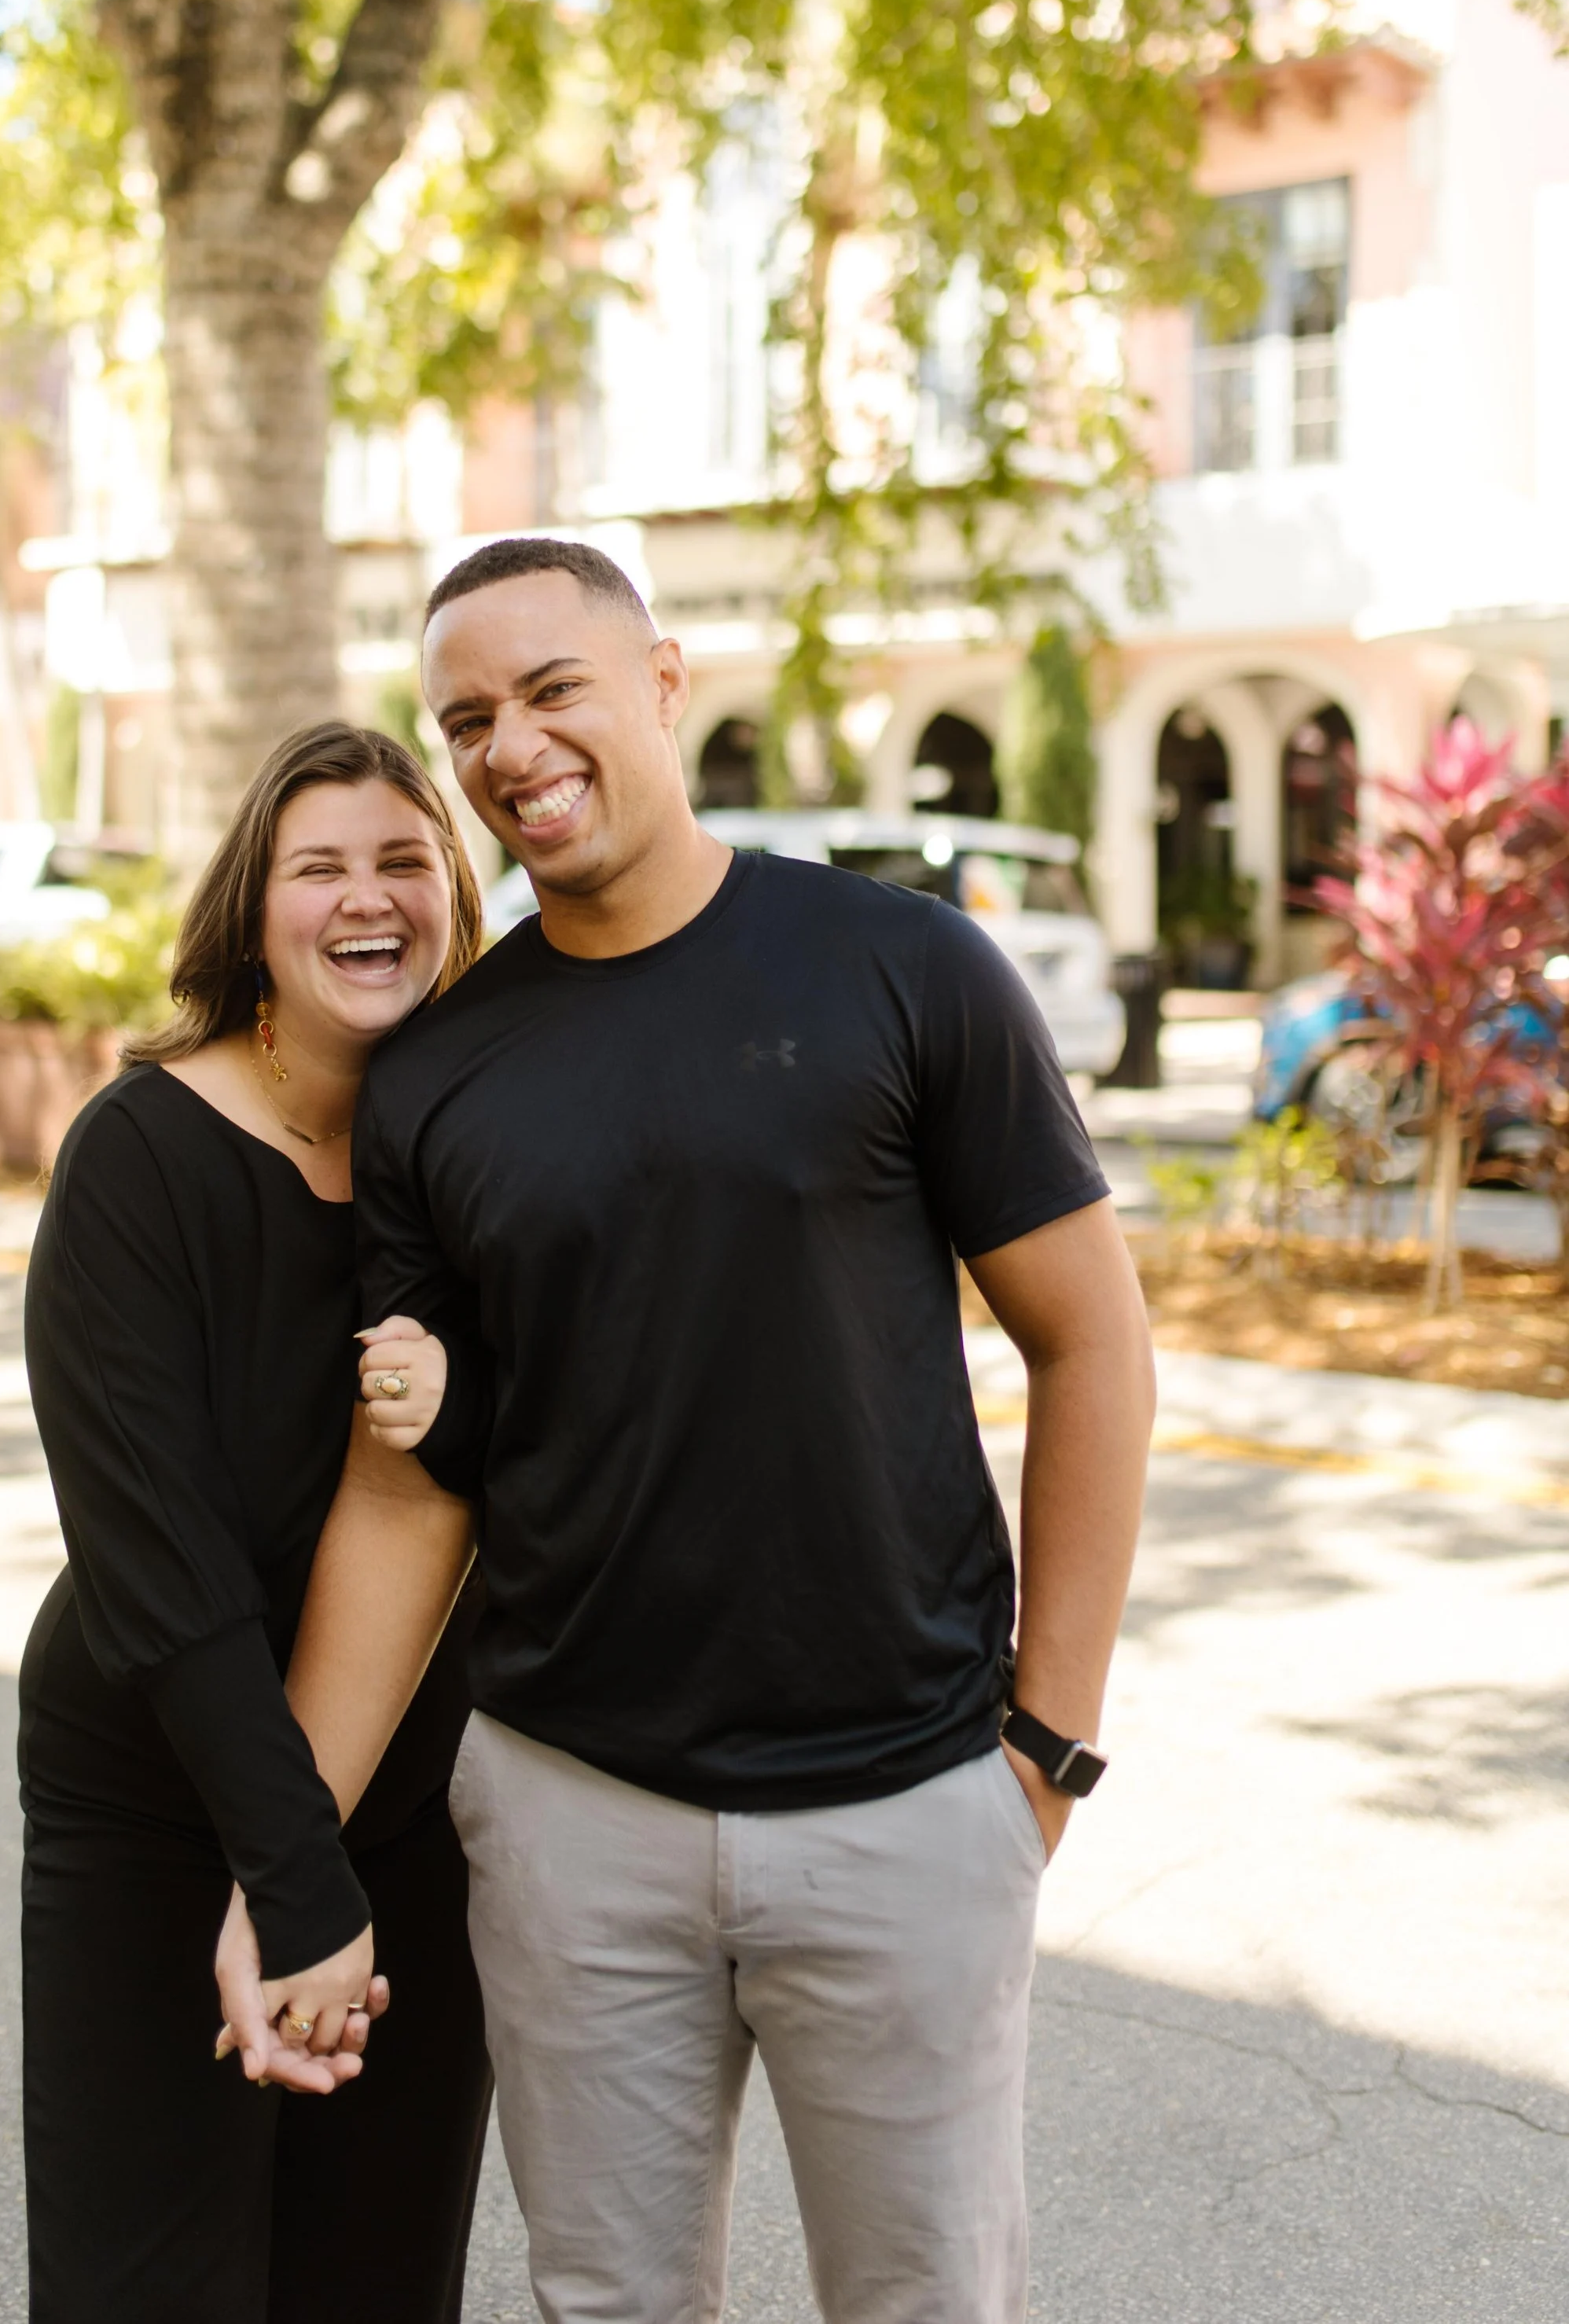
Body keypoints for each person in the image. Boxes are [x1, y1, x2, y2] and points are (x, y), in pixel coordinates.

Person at [295, 539, 1156, 2324]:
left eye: (551, 691)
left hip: (904, 1802)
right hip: (565, 1814)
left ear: (664, 684)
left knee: (921, 2303)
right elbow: (409, 1492)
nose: (509, 746)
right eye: (466, 718)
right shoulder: (439, 1073)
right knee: (602, 2303)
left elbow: (1091, 1345)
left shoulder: (900, 968)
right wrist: (280, 1848)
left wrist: (1043, 1751)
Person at [18, 722, 487, 2324]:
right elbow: (160, 1573)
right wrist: (295, 1883)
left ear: (453, 895)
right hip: (159, 1795)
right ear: (255, 915)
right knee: (151, 2284)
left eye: (403, 860)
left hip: (411, 1811)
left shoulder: (471, 1151)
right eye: (320, 868)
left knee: (371, 2282)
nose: (367, 899)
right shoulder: (140, 1156)